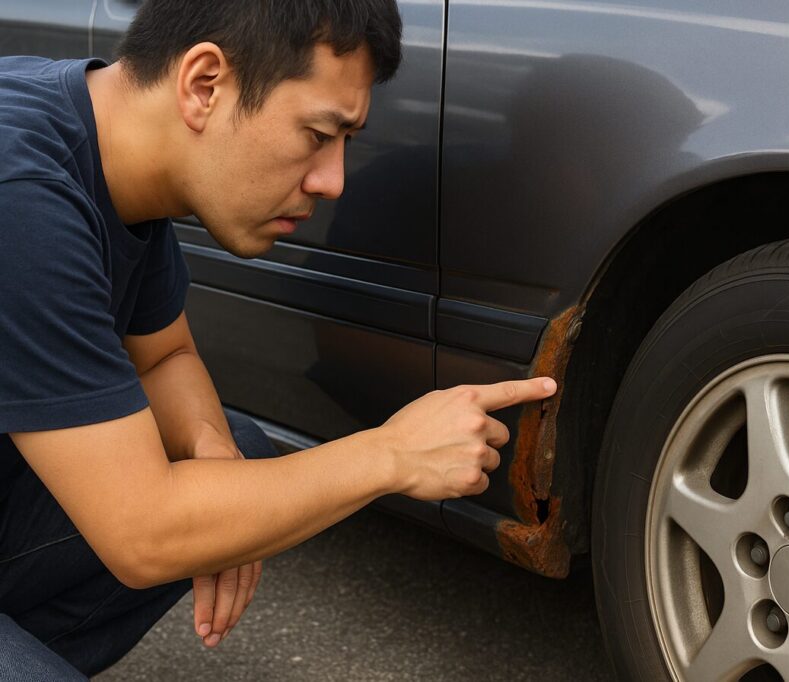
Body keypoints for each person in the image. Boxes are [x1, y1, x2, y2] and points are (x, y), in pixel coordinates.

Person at [0, 0, 557, 677]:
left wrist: (215, 461)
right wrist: (390, 454)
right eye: (319, 134)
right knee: (188, 516)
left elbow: (165, 354)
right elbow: (143, 534)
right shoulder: (21, 191)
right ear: (204, 84)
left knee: (241, 460)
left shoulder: (106, 138)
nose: (333, 182)